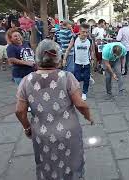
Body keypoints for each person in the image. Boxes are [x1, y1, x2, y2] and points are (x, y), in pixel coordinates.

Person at [15, 39, 93, 180]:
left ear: (37, 58)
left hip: (41, 133)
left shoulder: (26, 81)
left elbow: (20, 111)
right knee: (72, 162)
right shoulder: (67, 77)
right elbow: (81, 104)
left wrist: (27, 128)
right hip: (69, 132)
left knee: (46, 163)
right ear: (58, 58)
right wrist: (88, 117)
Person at [67, 24, 96, 101]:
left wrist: (92, 59)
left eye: (87, 32)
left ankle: (84, 93)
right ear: (79, 31)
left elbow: (92, 51)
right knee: (77, 78)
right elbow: (69, 48)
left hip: (86, 63)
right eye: (83, 32)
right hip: (77, 63)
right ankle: (85, 79)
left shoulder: (89, 40)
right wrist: (64, 59)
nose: (85, 34)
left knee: (86, 79)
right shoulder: (75, 38)